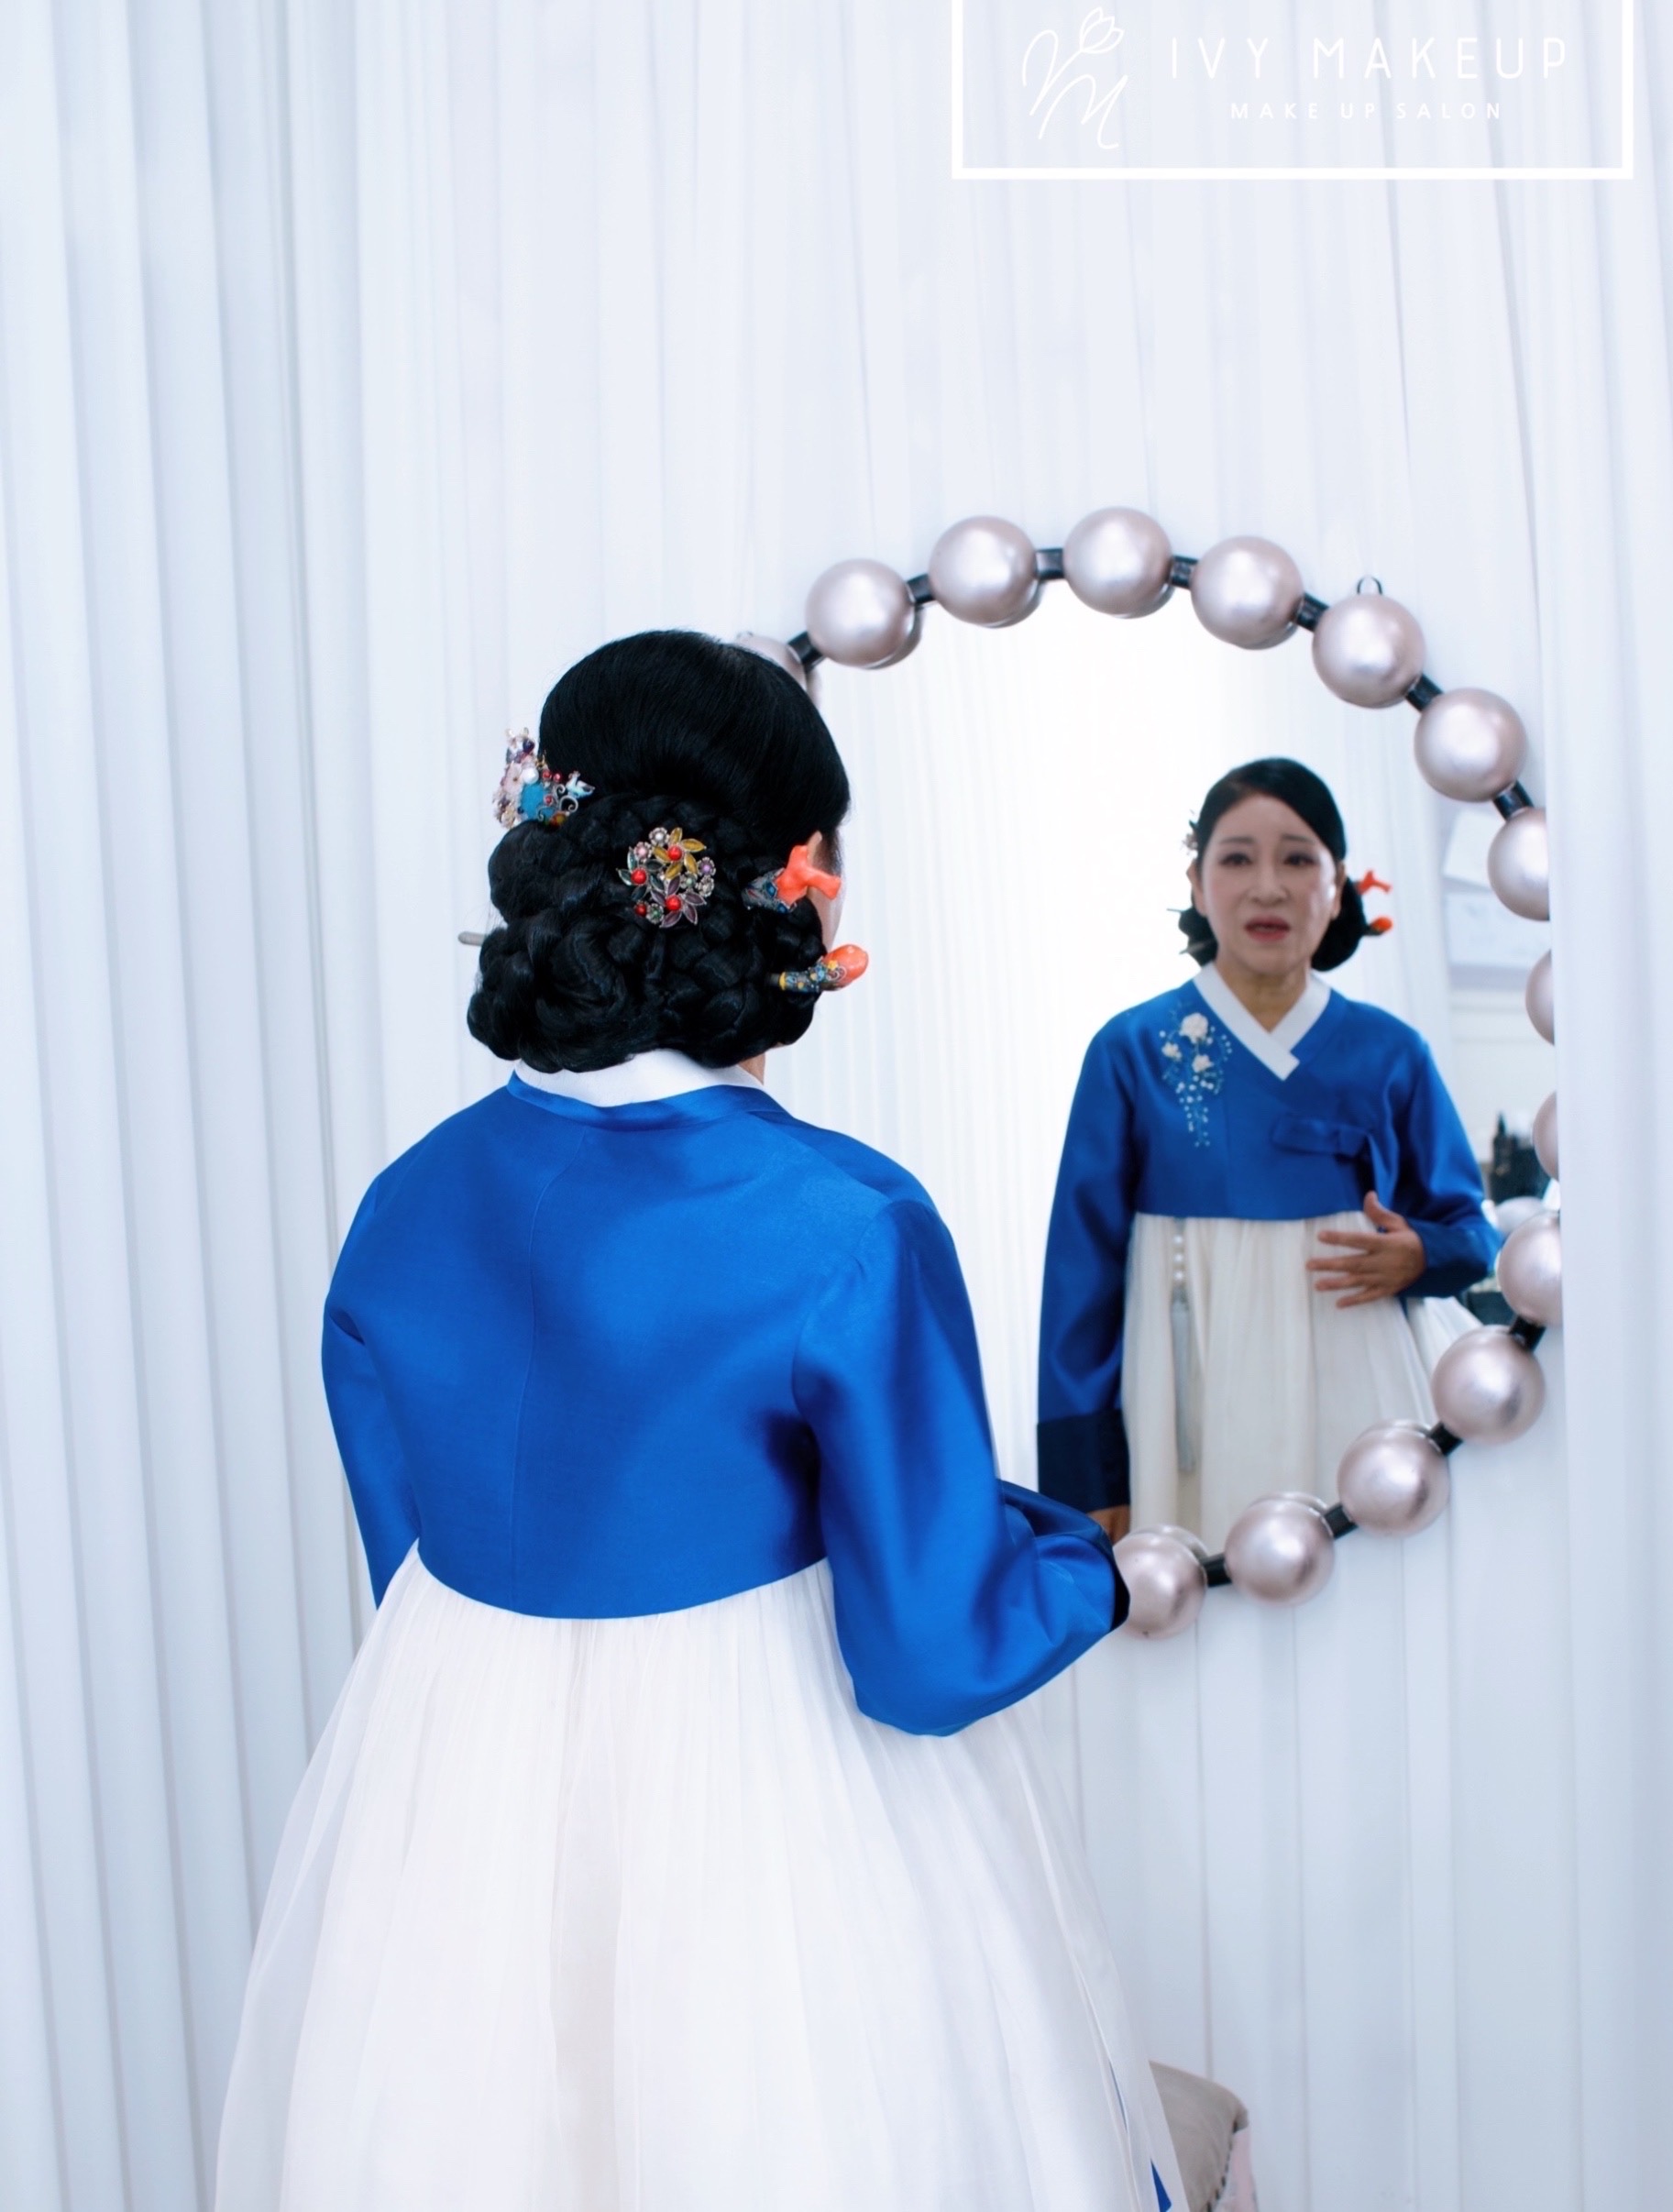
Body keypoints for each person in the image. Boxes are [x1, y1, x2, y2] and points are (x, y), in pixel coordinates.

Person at [215, 631, 1183, 2212]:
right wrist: (1090, 1566)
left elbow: (421, 1573)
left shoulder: (404, 1207)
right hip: (780, 1835)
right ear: (801, 885)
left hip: (453, 1825)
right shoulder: (844, 1222)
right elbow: (930, 1652)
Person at [1037, 757, 1498, 1552]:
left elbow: (1471, 1230)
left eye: (1296, 859)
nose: (1267, 887)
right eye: (1237, 858)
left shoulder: (1390, 1053)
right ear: (1196, 881)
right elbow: (1080, 1274)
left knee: (1368, 1588)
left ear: (1337, 885)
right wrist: (1087, 1472)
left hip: (1364, 1388)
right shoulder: (1132, 1051)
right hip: (1187, 1387)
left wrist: (1421, 1254)